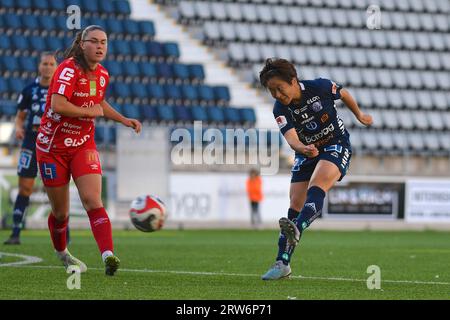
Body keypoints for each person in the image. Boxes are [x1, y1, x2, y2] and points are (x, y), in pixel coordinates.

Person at [36, 25, 142, 276]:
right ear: (82, 45)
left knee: (93, 200)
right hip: (52, 149)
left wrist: (123, 119)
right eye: (93, 41)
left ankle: (108, 255)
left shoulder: (102, 74)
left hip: (83, 144)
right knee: (60, 213)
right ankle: (62, 253)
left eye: (103, 42)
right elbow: (58, 104)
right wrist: (88, 112)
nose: (99, 46)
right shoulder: (67, 70)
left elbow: (99, 103)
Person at [259, 58, 373, 280]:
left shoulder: (319, 87)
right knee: (294, 204)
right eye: (271, 91)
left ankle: (298, 227)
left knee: (317, 184)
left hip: (335, 143)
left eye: (279, 89)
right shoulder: (280, 108)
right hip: (306, 151)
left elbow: (344, 94)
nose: (277, 95)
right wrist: (302, 147)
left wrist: (359, 115)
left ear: (293, 81)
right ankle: (282, 263)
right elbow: (291, 138)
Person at [4, 53, 58, 245]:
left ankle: (62, 235)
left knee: (56, 190)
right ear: (39, 66)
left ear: (56, 67)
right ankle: (16, 231)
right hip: (30, 142)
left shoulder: (61, 90)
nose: (48, 67)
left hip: (53, 144)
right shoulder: (29, 90)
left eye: (52, 64)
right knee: (25, 187)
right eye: (45, 63)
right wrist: (18, 129)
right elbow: (20, 117)